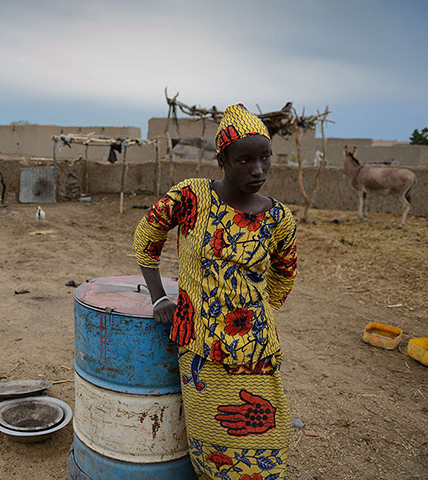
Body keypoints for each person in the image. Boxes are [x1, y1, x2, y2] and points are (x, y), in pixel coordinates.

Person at [133, 104, 297, 479]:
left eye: (265, 157)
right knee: (211, 450)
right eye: (245, 160)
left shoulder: (278, 217)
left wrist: (258, 314)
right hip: (201, 351)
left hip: (256, 351)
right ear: (222, 159)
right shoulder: (192, 197)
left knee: (264, 443)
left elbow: (285, 273)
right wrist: (159, 297)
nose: (258, 169)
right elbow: (147, 237)